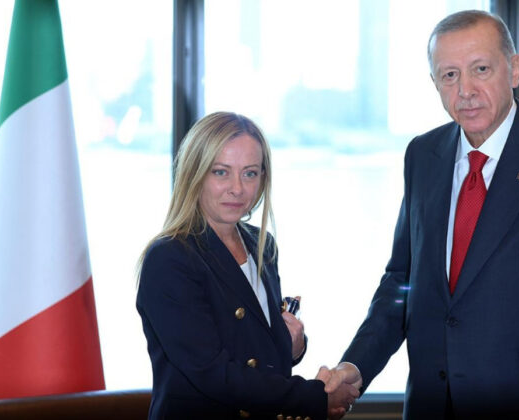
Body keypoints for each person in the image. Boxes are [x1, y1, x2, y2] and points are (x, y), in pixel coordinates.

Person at [324, 10, 519, 419]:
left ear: (514, 69)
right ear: (435, 83)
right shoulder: (422, 156)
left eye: (480, 69)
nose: (465, 90)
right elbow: (402, 283)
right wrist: (355, 366)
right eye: (449, 75)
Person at [136, 112, 358, 419]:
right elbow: (213, 373)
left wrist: (293, 347)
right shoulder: (170, 258)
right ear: (194, 173)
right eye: (221, 172)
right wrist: (314, 397)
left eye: (250, 173)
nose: (237, 188)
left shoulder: (261, 245)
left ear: (263, 178)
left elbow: (254, 349)